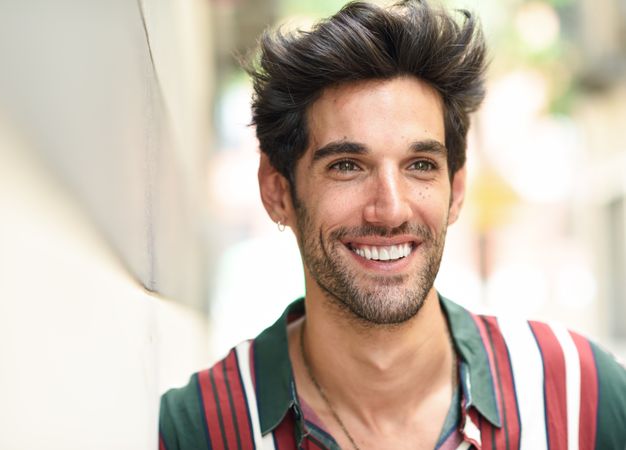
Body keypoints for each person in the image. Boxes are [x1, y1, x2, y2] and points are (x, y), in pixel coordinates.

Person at [159, 1, 626, 448]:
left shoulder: (582, 395)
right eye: (346, 165)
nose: (391, 209)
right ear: (278, 192)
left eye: (420, 164)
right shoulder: (198, 429)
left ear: (456, 190)